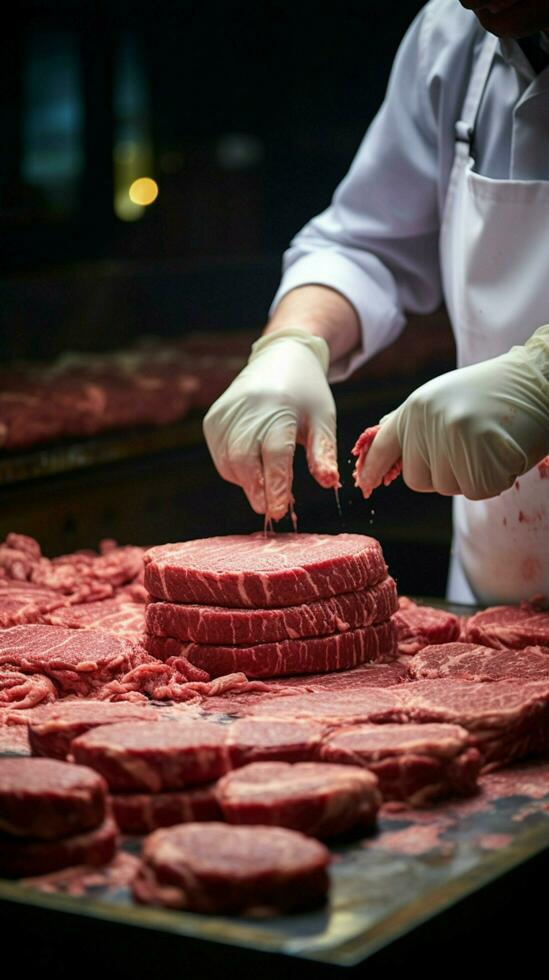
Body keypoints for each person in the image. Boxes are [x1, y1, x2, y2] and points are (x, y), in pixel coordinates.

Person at [204, 0, 549, 605]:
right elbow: (367, 243)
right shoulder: (452, 37)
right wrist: (292, 343)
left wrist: (540, 380)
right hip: (496, 612)